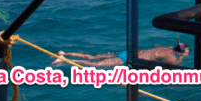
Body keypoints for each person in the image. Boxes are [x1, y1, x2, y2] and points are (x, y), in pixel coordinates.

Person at [54, 41, 189, 67]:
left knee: (92, 57)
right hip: (127, 59)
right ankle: (63, 60)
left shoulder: (165, 47)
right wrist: (180, 59)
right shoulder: (170, 55)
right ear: (180, 52)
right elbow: (172, 64)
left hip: (127, 52)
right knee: (93, 65)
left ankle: (66, 53)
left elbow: (155, 46)